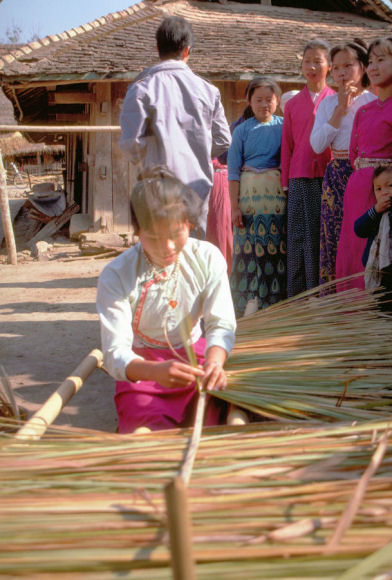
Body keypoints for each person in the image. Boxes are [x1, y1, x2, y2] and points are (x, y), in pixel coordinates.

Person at [96, 167, 236, 434]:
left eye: (176, 233)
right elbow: (115, 354)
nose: (168, 247)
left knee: (210, 419)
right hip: (143, 370)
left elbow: (221, 324)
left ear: (189, 224)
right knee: (144, 420)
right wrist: (155, 372)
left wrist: (215, 363)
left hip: (198, 363)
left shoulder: (207, 258)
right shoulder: (117, 275)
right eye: (155, 238)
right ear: (137, 233)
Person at [119, 16, 231, 238]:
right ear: (187, 50)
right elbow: (223, 140)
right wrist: (193, 153)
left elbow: (131, 143)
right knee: (191, 257)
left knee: (160, 256)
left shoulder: (141, 89)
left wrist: (153, 157)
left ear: (157, 48)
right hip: (196, 189)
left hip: (155, 191)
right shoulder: (209, 91)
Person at [310, 40, 376, 286]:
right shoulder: (327, 104)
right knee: (335, 235)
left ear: (363, 67)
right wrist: (339, 110)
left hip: (367, 174)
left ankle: (366, 293)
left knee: (364, 234)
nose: (341, 73)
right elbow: (317, 145)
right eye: (336, 68)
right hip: (337, 174)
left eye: (348, 65)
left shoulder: (373, 101)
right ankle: (336, 296)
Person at [336, 36, 392, 289]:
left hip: (383, 192)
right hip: (356, 189)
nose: (374, 67)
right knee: (353, 248)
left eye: (382, 60)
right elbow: (353, 154)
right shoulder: (364, 111)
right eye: (370, 61)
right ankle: (350, 315)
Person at [228, 77, 286, 318]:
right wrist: (234, 208)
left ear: (278, 101)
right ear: (249, 101)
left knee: (275, 249)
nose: (264, 105)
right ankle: (247, 305)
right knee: (249, 251)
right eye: (259, 100)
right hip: (249, 200)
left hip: (276, 199)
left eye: (269, 100)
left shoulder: (284, 126)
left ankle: (274, 307)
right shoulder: (241, 130)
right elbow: (233, 173)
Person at [281, 39, 335, 297]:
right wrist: (284, 181)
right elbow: (287, 146)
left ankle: (321, 293)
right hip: (299, 177)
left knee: (321, 237)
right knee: (298, 237)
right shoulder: (292, 104)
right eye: (307, 61)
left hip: (329, 176)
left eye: (318, 61)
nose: (312, 67)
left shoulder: (336, 100)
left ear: (330, 66)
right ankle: (297, 296)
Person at [354, 165, 392, 311]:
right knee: (381, 308)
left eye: (390, 186)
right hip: (378, 271)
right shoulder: (375, 213)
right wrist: (375, 210)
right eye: (379, 189)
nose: (385, 192)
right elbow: (359, 229)